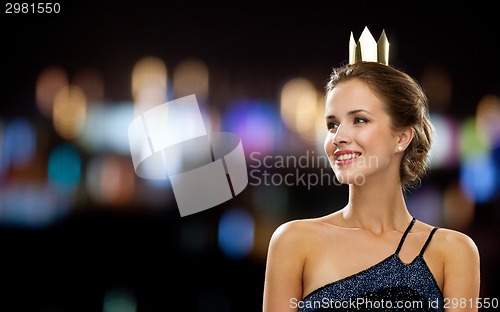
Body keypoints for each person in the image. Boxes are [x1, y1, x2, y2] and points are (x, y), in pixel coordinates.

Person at [262, 28, 480, 311]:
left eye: (360, 120)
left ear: (401, 137)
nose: (338, 136)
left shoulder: (453, 252)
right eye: (332, 124)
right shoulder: (293, 242)